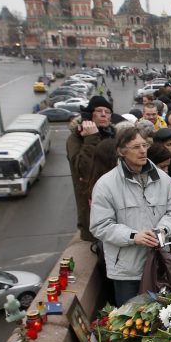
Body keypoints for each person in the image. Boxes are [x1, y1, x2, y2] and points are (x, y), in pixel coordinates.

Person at [90, 130, 171, 305]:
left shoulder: (163, 178)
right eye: (136, 147)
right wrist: (134, 236)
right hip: (127, 271)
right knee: (131, 325)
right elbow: (100, 226)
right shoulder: (106, 184)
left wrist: (163, 230)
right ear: (121, 151)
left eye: (144, 145)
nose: (143, 151)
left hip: (159, 264)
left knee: (162, 321)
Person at [67, 96, 116, 242]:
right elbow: (84, 169)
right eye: (99, 111)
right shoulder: (76, 139)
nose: (103, 114)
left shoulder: (113, 135)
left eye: (107, 112)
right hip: (92, 209)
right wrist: (91, 138)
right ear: (89, 116)